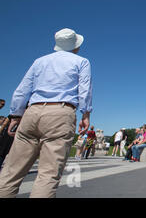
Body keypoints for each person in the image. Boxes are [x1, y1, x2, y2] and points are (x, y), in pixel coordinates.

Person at [0, 28, 92, 198]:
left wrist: (15, 115)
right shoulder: (82, 62)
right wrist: (85, 114)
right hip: (60, 112)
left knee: (10, 172)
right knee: (48, 175)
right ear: (75, 46)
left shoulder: (39, 61)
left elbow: (22, 90)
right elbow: (84, 91)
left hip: (32, 111)